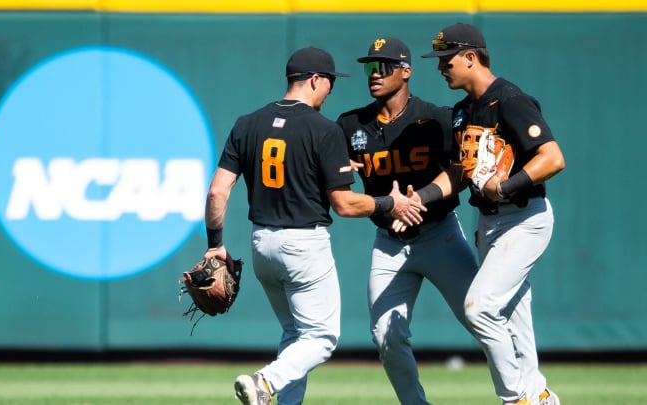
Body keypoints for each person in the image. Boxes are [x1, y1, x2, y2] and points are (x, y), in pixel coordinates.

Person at [203, 46, 424, 405]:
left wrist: (215, 244)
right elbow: (345, 205)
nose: (330, 90)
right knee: (321, 337)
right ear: (316, 80)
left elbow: (217, 192)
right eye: (330, 83)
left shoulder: (247, 123)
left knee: (295, 333)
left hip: (261, 245)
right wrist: (390, 203)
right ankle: (265, 382)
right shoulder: (322, 129)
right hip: (303, 245)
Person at [421, 23, 565, 405]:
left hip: (524, 217)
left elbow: (553, 158)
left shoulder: (510, 99)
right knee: (514, 316)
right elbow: (458, 173)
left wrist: (506, 186)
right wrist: (421, 198)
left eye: (446, 59)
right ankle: (540, 397)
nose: (440, 68)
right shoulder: (461, 111)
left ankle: (515, 398)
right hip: (490, 223)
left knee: (480, 307)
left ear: (471, 57)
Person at [335, 37, 479, 404]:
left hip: (440, 234)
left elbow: (461, 172)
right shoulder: (351, 124)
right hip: (388, 243)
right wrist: (336, 171)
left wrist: (421, 199)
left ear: (406, 71)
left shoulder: (437, 118)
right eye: (370, 67)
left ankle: (525, 392)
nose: (375, 74)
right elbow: (334, 184)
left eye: (384, 66)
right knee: (386, 335)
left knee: (483, 318)